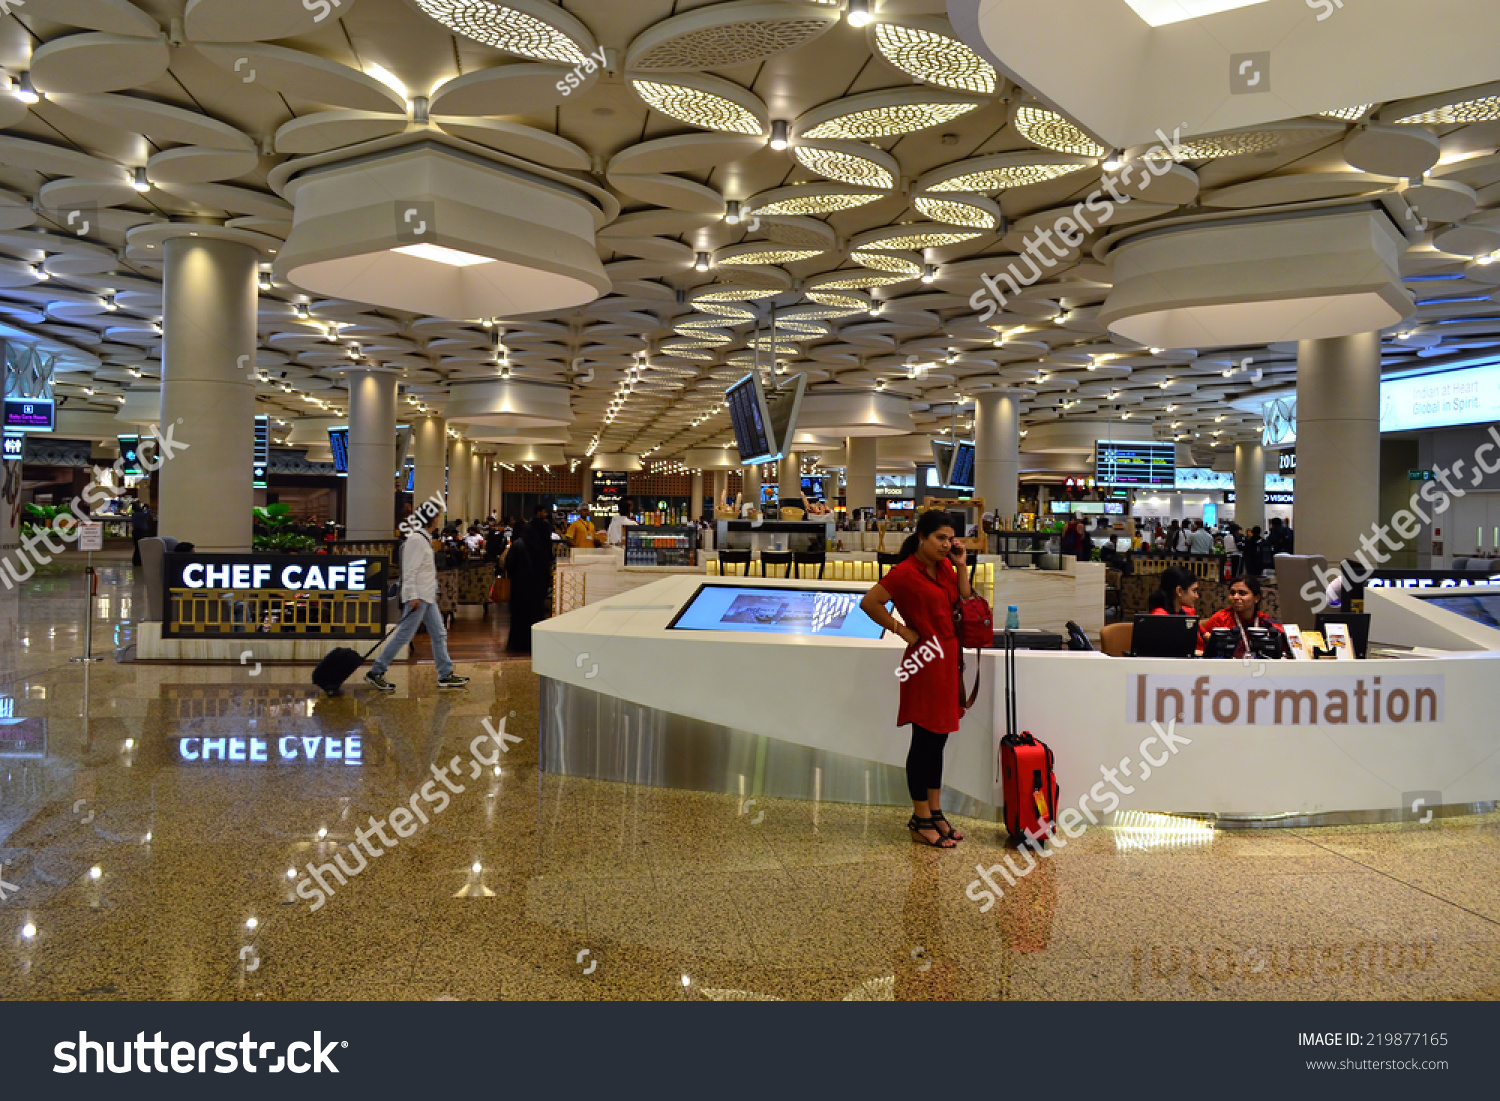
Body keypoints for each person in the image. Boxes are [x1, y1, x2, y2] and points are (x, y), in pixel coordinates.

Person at [858, 509, 973, 849]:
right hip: (925, 662)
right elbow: (870, 602)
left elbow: (965, 598)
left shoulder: (945, 567)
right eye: (940, 538)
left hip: (949, 658)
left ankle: (935, 811)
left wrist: (962, 563)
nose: (945, 545)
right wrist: (903, 630)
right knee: (924, 740)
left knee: (939, 741)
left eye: (949, 539)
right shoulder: (905, 572)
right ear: (921, 537)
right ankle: (919, 817)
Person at [366, 503, 470, 691]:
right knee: (404, 636)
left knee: (439, 634)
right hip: (419, 597)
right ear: (432, 519)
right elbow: (410, 571)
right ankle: (376, 671)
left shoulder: (423, 539)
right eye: (437, 516)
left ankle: (445, 674)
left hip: (427, 597)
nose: (439, 519)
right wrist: (413, 596)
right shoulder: (416, 540)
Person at [1196, 575, 1285, 656]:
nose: (1235, 597)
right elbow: (1201, 649)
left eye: (1242, 593)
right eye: (1232, 593)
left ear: (1256, 598)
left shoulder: (1267, 622)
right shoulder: (1220, 618)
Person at [130, 500, 153, 567]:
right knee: (141, 546)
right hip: (141, 531)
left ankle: (135, 561)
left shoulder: (134, 514)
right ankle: (139, 561)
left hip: (135, 531)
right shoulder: (141, 514)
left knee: (137, 546)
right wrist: (147, 507)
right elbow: (149, 513)